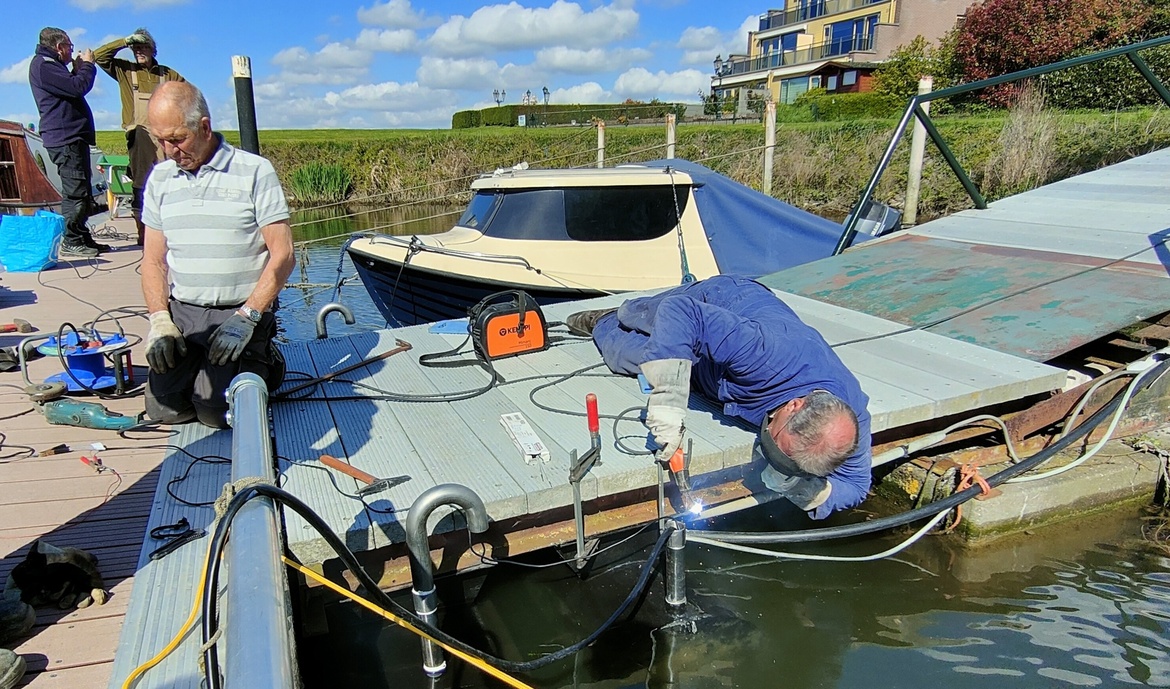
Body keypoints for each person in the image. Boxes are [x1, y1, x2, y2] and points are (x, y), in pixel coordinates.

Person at [568, 275, 872, 519]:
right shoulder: (765, 353)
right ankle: (605, 318)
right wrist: (668, 400)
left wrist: (811, 491)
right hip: (719, 302)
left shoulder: (850, 423)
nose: (774, 453)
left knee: (630, 355)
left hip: (712, 374)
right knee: (633, 326)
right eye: (777, 445)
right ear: (794, 406)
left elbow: (856, 485)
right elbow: (683, 313)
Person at [140, 81, 293, 428]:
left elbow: (283, 255)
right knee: (164, 409)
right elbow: (152, 261)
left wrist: (248, 317)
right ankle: (204, 367)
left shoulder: (255, 171)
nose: (168, 151)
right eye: (159, 140)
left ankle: (266, 357)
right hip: (183, 312)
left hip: (239, 312)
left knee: (217, 414)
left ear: (204, 127)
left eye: (177, 139)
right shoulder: (160, 179)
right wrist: (159, 321)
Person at [94, 28, 184, 245]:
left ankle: (171, 229)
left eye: (144, 47)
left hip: (164, 133)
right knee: (142, 181)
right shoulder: (124, 70)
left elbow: (188, 96)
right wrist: (124, 41)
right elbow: (98, 56)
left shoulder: (168, 74)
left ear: (154, 50)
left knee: (169, 179)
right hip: (139, 133)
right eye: (136, 48)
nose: (139, 51)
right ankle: (143, 231)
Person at [28, 27, 105, 257]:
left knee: (82, 191)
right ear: (59, 47)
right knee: (75, 192)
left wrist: (76, 70)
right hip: (65, 139)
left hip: (71, 137)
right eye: (70, 47)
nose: (72, 52)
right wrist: (88, 66)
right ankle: (71, 240)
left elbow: (69, 86)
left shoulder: (51, 66)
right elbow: (77, 87)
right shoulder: (44, 65)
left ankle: (81, 236)